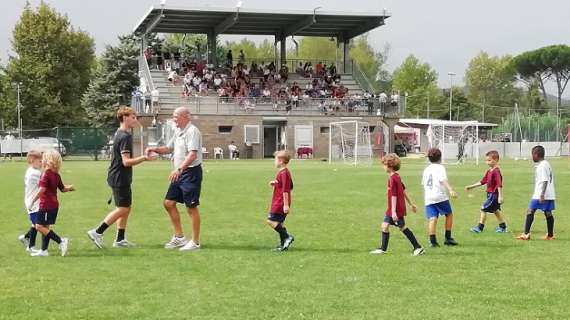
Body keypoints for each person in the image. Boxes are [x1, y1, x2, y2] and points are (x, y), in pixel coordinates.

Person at [87, 107, 156, 249]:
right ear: (124, 117)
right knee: (123, 209)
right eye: (133, 116)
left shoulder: (121, 133)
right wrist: (144, 158)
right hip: (119, 177)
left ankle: (120, 239)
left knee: (125, 207)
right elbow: (126, 161)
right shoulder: (124, 136)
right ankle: (97, 232)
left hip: (120, 176)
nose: (135, 119)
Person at [146, 107, 203, 251]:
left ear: (185, 117)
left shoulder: (192, 131)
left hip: (190, 173)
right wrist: (154, 149)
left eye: (176, 116)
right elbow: (168, 148)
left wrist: (179, 169)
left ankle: (195, 242)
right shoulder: (178, 131)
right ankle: (179, 238)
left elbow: (192, 155)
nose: (174, 119)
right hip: (179, 173)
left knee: (191, 207)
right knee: (169, 203)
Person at [370, 154, 425, 256]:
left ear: (389, 166)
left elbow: (394, 195)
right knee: (384, 226)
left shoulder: (393, 179)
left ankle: (418, 247)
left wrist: (394, 212)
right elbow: (403, 191)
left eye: (384, 165)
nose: (383, 167)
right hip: (392, 209)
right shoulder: (396, 176)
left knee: (402, 227)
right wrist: (411, 204)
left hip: (395, 209)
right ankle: (383, 249)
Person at [29, 150, 74, 257]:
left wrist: (32, 201)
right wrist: (70, 188)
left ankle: (61, 241)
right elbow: (62, 189)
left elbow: (42, 190)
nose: (42, 160)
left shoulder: (46, 174)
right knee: (46, 228)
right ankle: (44, 251)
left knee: (39, 226)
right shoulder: (56, 175)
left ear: (48, 161)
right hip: (54, 205)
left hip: (46, 205)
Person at [517, 146, 556, 240]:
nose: (532, 157)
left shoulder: (542, 166)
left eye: (532, 155)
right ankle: (550, 235)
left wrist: (542, 194)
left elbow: (545, 180)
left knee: (530, 210)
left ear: (536, 155)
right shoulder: (546, 163)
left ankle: (526, 234)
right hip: (549, 193)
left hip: (541, 193)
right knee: (548, 213)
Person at [421, 148, 459, 247]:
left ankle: (433, 241)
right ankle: (448, 238)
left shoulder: (426, 169)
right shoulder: (440, 167)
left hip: (428, 197)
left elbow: (424, 183)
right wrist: (450, 189)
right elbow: (442, 180)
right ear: (440, 158)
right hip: (439, 195)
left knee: (432, 218)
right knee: (449, 214)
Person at [465, 150, 508, 233]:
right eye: (486, 160)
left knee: (483, 209)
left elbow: (499, 184)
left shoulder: (496, 171)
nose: (487, 162)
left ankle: (479, 228)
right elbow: (482, 181)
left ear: (496, 160)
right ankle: (503, 227)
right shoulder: (489, 171)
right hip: (490, 194)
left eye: (489, 160)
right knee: (495, 211)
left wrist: (500, 196)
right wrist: (471, 186)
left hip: (494, 195)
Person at [266, 151, 295, 251]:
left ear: (281, 161)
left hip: (280, 202)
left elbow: (286, 189)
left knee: (271, 221)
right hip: (280, 201)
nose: (274, 162)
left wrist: (286, 205)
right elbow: (290, 185)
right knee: (280, 223)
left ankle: (287, 237)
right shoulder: (284, 172)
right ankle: (284, 245)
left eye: (275, 159)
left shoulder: (284, 173)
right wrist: (276, 183)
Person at [18, 150, 43, 253]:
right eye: (39, 161)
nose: (41, 163)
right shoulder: (35, 173)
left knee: (36, 223)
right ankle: (31, 247)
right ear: (32, 160)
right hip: (33, 201)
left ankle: (26, 238)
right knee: (38, 224)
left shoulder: (30, 170)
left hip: (32, 200)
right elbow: (45, 183)